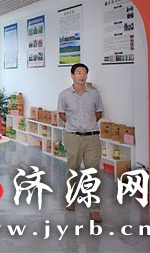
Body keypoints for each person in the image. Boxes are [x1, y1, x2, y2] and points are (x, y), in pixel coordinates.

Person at [58, 63, 104, 222]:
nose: (82, 76)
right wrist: (75, 124)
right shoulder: (64, 95)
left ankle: (94, 208)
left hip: (92, 137)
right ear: (72, 75)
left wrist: (87, 124)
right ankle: (71, 200)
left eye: (84, 73)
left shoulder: (94, 94)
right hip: (73, 137)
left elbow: (99, 113)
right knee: (72, 170)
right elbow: (62, 114)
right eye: (78, 73)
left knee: (93, 172)